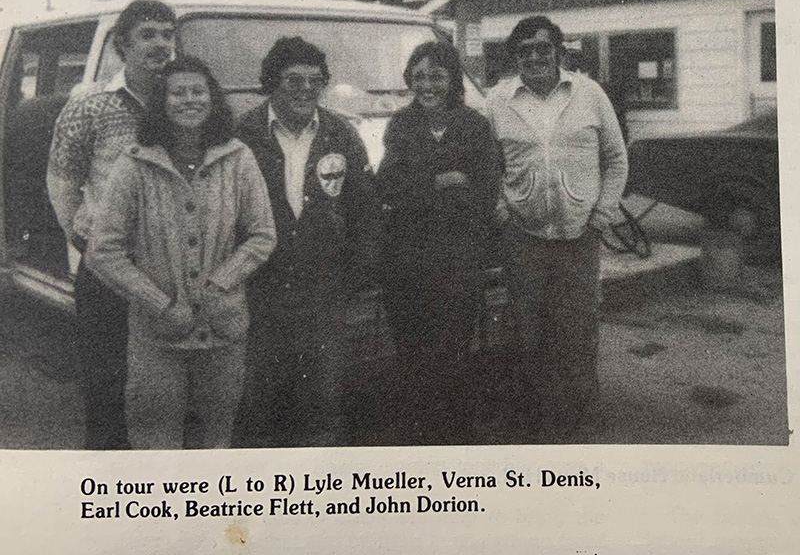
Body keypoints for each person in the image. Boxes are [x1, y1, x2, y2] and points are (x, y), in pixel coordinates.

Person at [86, 57, 276, 449]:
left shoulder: (238, 158)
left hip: (224, 330)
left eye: (197, 91)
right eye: (177, 92)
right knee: (156, 443)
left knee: (216, 443)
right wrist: (159, 303)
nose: (189, 100)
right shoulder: (134, 163)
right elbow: (103, 250)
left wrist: (221, 283)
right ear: (162, 102)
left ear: (212, 99)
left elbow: (262, 235)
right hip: (156, 335)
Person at [233, 37, 381, 447]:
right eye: (293, 80)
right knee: (257, 405)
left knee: (322, 403)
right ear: (271, 84)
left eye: (315, 81)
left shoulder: (340, 133)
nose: (306, 89)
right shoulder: (242, 133)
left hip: (323, 295)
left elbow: (364, 212)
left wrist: (350, 281)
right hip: (258, 295)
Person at [485, 16, 628, 441]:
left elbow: (616, 159)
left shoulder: (589, 94)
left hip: (578, 235)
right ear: (516, 57)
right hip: (522, 237)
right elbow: (487, 162)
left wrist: (601, 214)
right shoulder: (498, 100)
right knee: (526, 329)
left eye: (543, 48)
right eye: (525, 50)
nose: (534, 56)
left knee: (577, 328)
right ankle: (535, 416)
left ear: (559, 52)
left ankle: (581, 414)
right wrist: (501, 209)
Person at [47, 0, 176, 450]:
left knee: (164, 390)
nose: (161, 44)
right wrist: (87, 241)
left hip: (170, 269)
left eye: (167, 34)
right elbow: (62, 183)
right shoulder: (91, 107)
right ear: (122, 45)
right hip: (107, 272)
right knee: (107, 387)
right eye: (148, 34)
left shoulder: (183, 103)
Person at [376, 41, 501, 444]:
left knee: (453, 350)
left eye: (436, 76)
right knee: (412, 350)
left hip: (457, 260)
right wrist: (444, 181)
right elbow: (388, 187)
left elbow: (485, 192)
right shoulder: (400, 125)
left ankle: (450, 436)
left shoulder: (475, 126)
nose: (426, 84)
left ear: (453, 79)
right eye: (418, 77)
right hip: (407, 260)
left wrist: (426, 188)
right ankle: (416, 435)